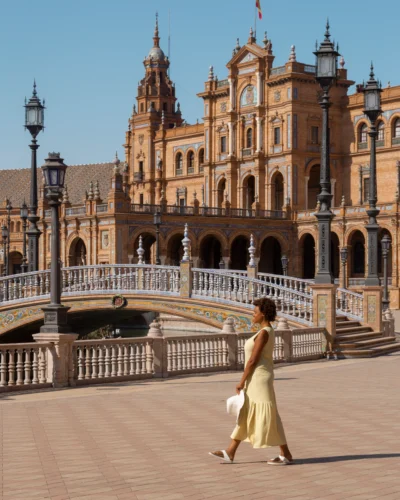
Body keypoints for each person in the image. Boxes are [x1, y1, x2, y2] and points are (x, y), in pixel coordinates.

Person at [209, 298, 293, 465]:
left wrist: (241, 381)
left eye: (255, 313)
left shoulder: (264, 333)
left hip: (259, 378)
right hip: (256, 378)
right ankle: (230, 452)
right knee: (246, 413)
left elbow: (253, 360)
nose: (252, 315)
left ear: (263, 314)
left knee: (268, 415)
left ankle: (286, 454)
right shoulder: (265, 331)